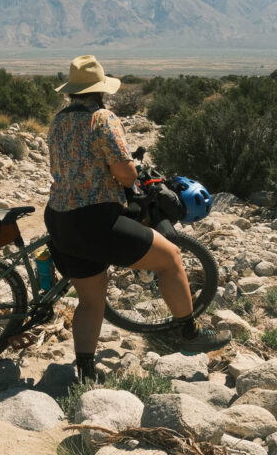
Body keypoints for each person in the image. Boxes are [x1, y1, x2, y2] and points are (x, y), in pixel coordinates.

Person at [43, 55, 230, 384]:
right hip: (94, 220)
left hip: (59, 219)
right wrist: (128, 175)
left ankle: (86, 372)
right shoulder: (102, 118)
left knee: (90, 300)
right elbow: (126, 173)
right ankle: (189, 332)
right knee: (171, 257)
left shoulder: (58, 120)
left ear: (72, 92)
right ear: (101, 91)